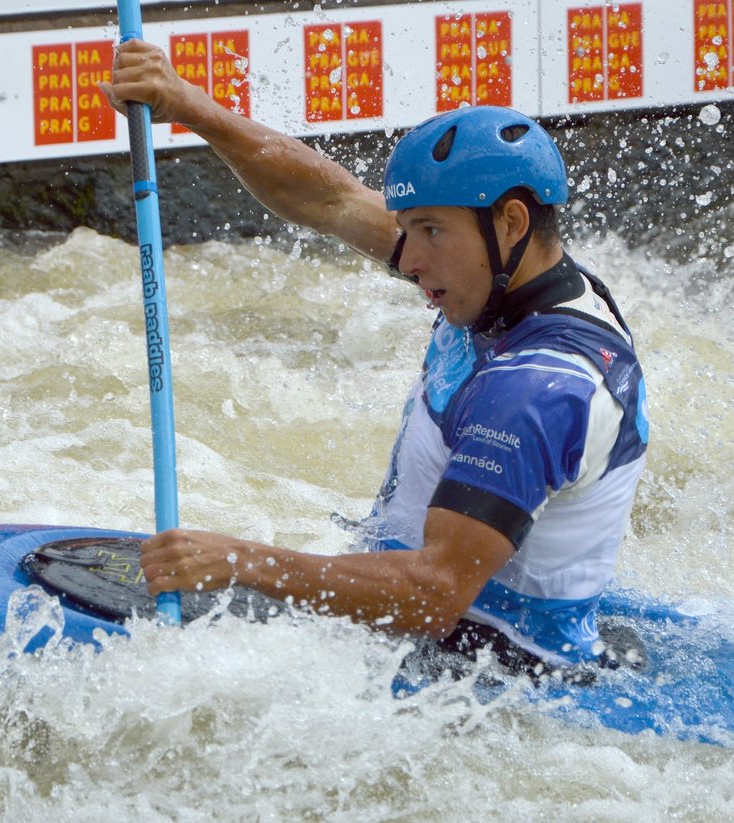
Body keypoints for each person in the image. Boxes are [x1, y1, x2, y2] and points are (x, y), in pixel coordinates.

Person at [102, 40, 649, 676]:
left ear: (509, 222)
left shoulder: (537, 388)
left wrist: (240, 561)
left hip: (490, 673)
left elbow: (434, 593)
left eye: (430, 231)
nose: (408, 259)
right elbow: (329, 200)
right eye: (408, 228)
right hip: (415, 620)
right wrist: (190, 107)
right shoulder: (501, 277)